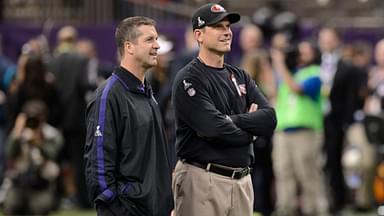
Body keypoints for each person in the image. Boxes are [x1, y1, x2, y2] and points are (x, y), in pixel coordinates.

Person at [171, 3, 277, 216]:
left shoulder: (240, 75)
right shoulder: (189, 78)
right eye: (218, 27)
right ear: (199, 35)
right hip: (203, 178)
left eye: (227, 26)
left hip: (242, 180)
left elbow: (269, 119)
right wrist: (250, 126)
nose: (227, 32)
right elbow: (213, 128)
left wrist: (230, 120)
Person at [84, 16, 174, 215]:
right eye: (149, 39)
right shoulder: (108, 96)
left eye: (156, 39)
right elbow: (98, 165)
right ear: (129, 47)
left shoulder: (146, 92)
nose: (157, 46)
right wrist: (119, 209)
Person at [3, 100, 63, 215]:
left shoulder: (51, 134)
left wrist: (39, 142)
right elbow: (8, 154)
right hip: (19, 184)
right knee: (10, 205)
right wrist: (17, 133)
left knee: (40, 208)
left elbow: (53, 154)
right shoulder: (19, 133)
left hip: (42, 185)